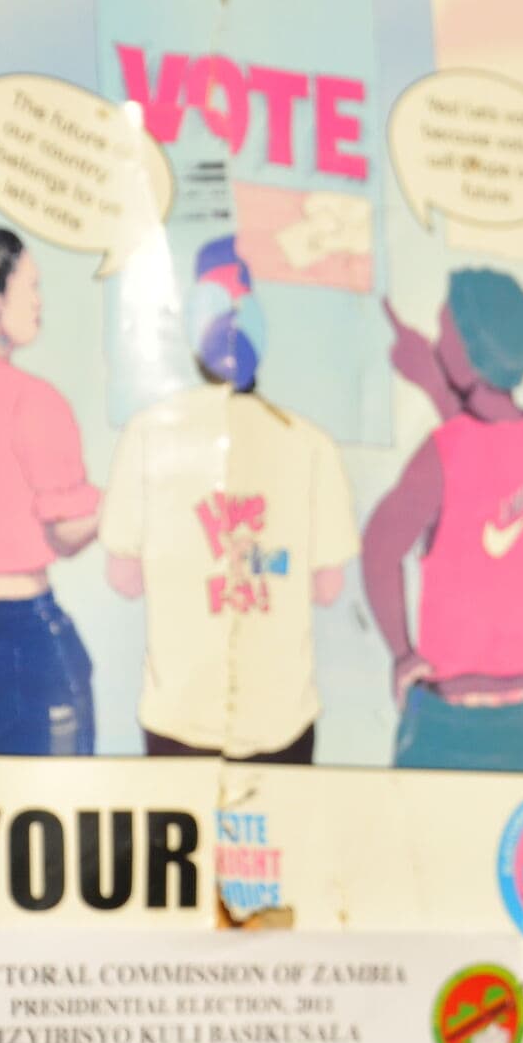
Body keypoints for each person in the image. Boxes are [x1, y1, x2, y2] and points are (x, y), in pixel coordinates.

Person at [101, 235, 357, 763]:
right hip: (281, 723)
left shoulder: (147, 434)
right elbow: (329, 588)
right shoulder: (312, 444)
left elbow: (122, 580)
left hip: (178, 721)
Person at [367, 268, 523, 773]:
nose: (438, 342)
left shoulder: (443, 452)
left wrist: (402, 653)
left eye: (444, 332)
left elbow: (379, 545)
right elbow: (488, 446)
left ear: (465, 349)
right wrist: (436, 383)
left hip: (451, 720)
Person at [0, 215, 101, 756]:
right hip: (20, 633)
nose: (39, 302)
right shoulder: (34, 400)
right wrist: (118, 503)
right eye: (29, 287)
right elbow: (66, 534)